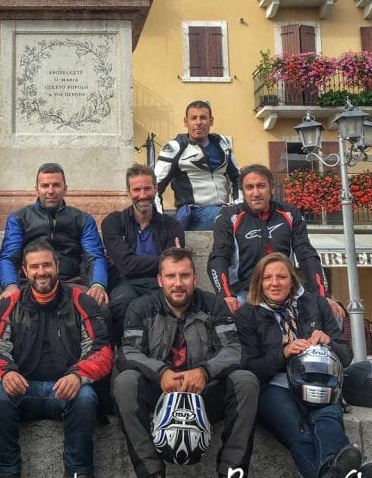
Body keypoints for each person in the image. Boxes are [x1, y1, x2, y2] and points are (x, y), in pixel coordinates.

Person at [113, 247, 258, 478]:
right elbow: (127, 353)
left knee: (245, 380)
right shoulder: (140, 307)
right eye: (171, 276)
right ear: (160, 280)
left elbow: (234, 350)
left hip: (205, 393)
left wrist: (205, 371)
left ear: (195, 278)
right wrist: (160, 373)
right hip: (158, 394)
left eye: (184, 275)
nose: (178, 283)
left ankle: (232, 476)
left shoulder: (214, 305)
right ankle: (152, 476)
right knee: (125, 383)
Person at [235, 252, 372, 478]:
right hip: (273, 387)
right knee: (298, 431)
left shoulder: (317, 305)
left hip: (319, 382)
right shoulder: (247, 315)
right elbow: (247, 367)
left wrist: (329, 342)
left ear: (292, 280)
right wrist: (283, 353)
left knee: (328, 417)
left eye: (281, 276)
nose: (274, 283)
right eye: (267, 278)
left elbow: (346, 356)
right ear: (259, 282)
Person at [0, 239, 114, 478]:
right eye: (34, 267)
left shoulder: (81, 300)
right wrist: (6, 371)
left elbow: (102, 350)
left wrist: (79, 375)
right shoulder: (9, 302)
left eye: (46, 265)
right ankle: (7, 476)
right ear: (24, 271)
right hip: (23, 389)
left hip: (65, 389)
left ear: (57, 266)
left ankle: (79, 474)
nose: (41, 272)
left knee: (86, 396)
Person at [208, 164, 343, 318]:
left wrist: (322, 294)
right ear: (243, 191)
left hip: (283, 291)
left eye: (261, 186)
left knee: (331, 313)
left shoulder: (289, 213)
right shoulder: (228, 216)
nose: (256, 193)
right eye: (249, 187)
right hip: (245, 293)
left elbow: (307, 255)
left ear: (271, 188)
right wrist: (225, 294)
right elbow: (219, 257)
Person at [0, 162, 108, 307]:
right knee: (0, 307)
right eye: (45, 186)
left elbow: (95, 256)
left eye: (56, 185)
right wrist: (10, 285)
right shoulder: (18, 219)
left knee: (100, 308)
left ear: (65, 189)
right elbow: (8, 257)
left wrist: (97, 284)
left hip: (70, 283)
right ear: (36, 190)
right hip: (29, 284)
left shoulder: (83, 220)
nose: (50, 191)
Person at [101, 164, 186, 343]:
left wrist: (132, 261)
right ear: (128, 191)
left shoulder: (171, 225)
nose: (142, 195)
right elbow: (126, 265)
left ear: (155, 188)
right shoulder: (114, 222)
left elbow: (174, 265)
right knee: (124, 302)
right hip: (125, 283)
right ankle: (128, 353)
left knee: (167, 302)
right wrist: (164, 259)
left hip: (161, 282)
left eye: (147, 188)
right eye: (136, 189)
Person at [154, 100, 239, 231]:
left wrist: (239, 205)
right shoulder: (174, 147)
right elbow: (155, 187)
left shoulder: (222, 144)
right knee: (231, 218)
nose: (198, 122)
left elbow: (237, 178)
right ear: (185, 122)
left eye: (203, 118)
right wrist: (159, 223)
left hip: (223, 209)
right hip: (192, 213)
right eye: (193, 118)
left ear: (211, 121)